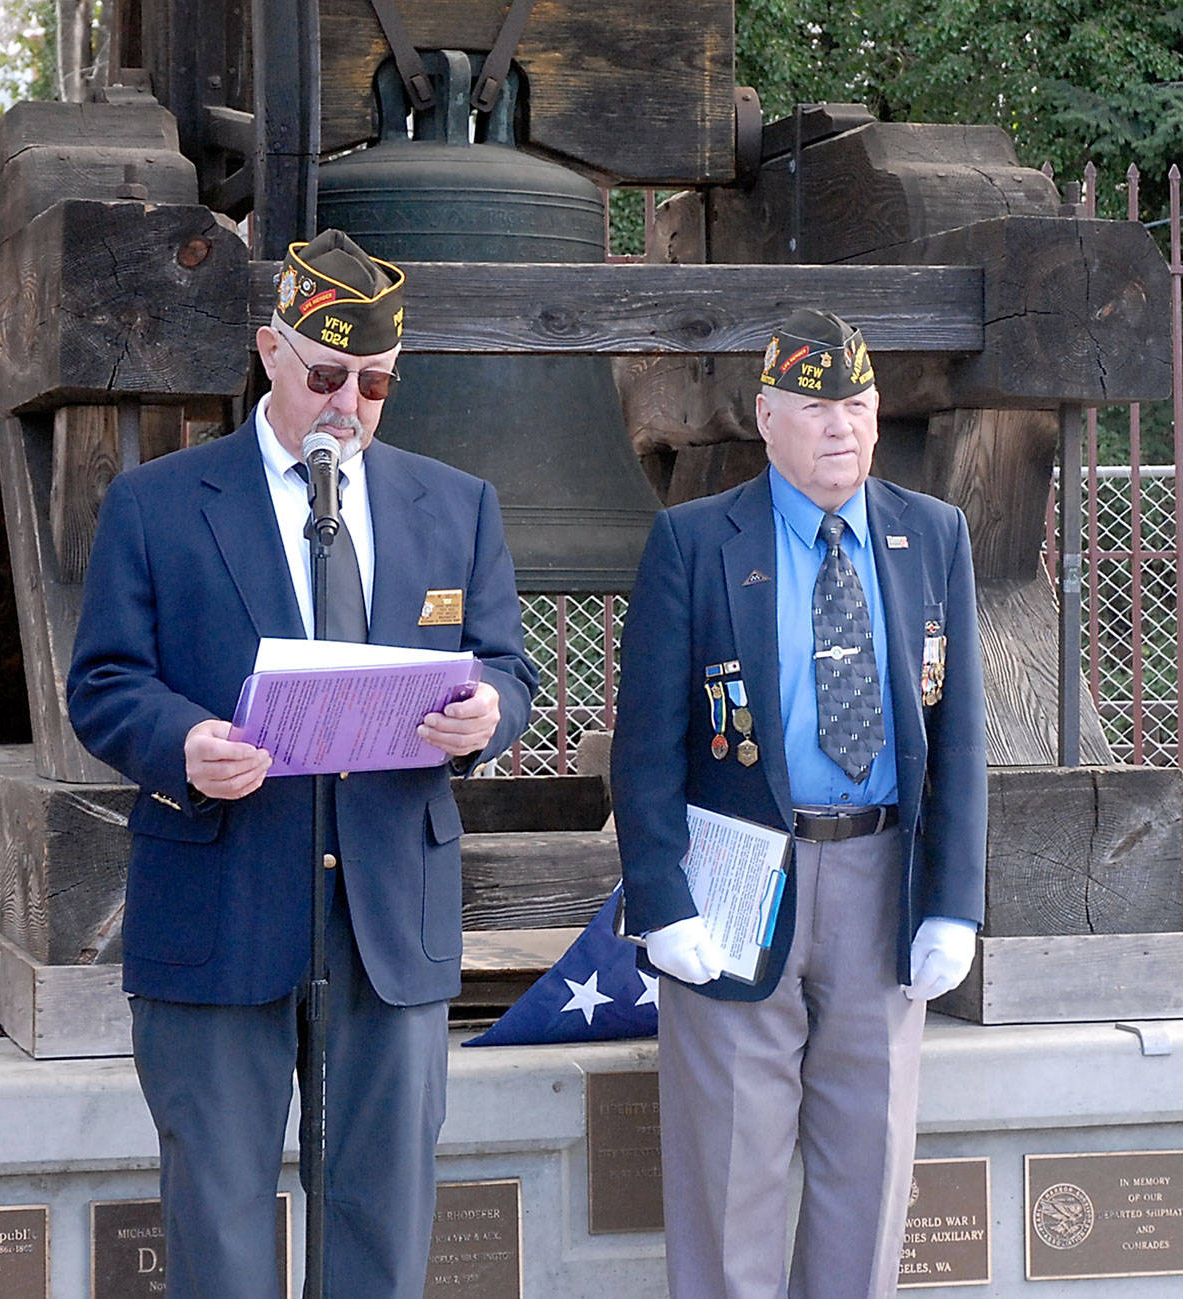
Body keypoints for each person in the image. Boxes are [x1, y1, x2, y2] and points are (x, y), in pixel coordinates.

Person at [67, 228, 537, 1299]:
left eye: (375, 385)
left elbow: (506, 666)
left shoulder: (453, 503)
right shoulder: (157, 503)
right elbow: (102, 683)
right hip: (219, 896)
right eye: (327, 375)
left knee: (381, 1214)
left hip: (386, 915)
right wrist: (182, 744)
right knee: (220, 1219)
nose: (349, 406)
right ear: (269, 349)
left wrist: (488, 715)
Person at [611, 309, 986, 1299]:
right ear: (765, 416)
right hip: (736, 876)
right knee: (730, 1167)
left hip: (878, 872)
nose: (843, 428)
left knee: (868, 1161)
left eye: (858, 406)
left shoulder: (929, 534)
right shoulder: (693, 542)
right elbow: (645, 746)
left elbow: (958, 740)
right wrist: (660, 901)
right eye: (817, 408)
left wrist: (951, 900)